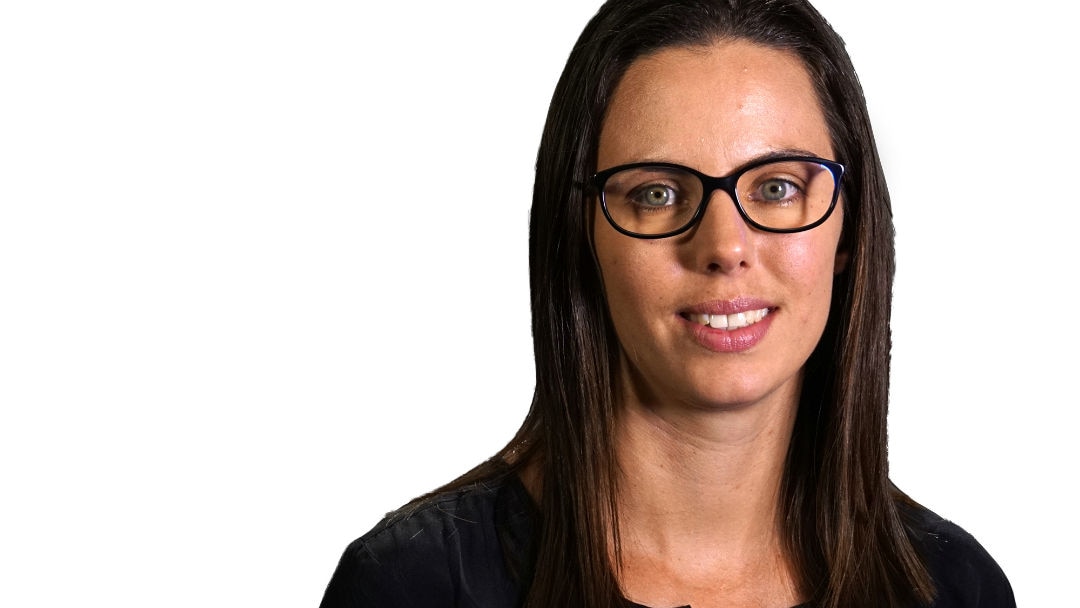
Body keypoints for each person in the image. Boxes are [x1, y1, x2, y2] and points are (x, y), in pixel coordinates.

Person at [318, 0, 1015, 606]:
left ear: (849, 230)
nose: (724, 246)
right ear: (581, 235)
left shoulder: (954, 587)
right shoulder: (416, 585)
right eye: (657, 193)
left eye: (776, 188)